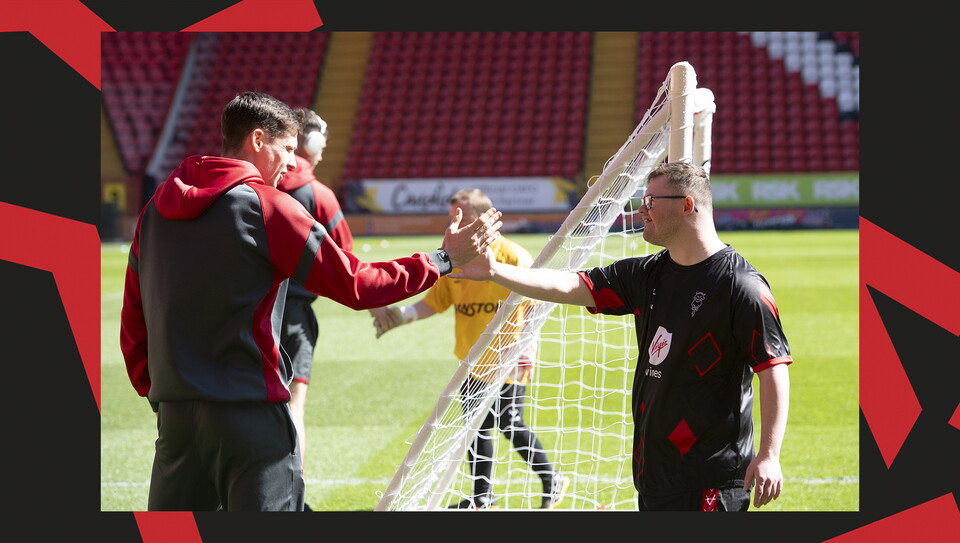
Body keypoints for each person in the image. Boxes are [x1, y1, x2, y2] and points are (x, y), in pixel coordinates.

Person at [119, 91, 502, 512]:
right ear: (258, 140)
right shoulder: (269, 208)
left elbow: (134, 320)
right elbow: (358, 284)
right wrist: (442, 260)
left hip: (176, 420)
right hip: (248, 418)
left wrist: (160, 393)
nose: (291, 162)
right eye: (286, 149)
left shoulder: (154, 211)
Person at [453, 162, 791, 511]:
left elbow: (773, 367)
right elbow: (572, 285)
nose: (641, 209)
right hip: (654, 472)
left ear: (687, 205)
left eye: (650, 200)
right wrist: (495, 271)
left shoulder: (741, 287)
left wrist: (769, 454)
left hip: (712, 479)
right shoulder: (647, 274)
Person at [371, 189, 570, 510]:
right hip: (472, 360)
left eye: (460, 217)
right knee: (475, 429)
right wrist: (400, 317)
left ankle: (551, 478)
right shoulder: (455, 261)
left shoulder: (514, 256)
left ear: (481, 221)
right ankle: (482, 497)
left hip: (508, 359)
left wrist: (528, 348)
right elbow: (433, 303)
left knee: (509, 422)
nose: (455, 224)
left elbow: (535, 306)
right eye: (453, 218)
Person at [276, 108, 352, 510]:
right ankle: (292, 497)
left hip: (245, 312)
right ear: (314, 141)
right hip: (294, 317)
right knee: (293, 408)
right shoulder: (318, 194)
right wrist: (382, 310)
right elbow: (347, 264)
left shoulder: (253, 187)